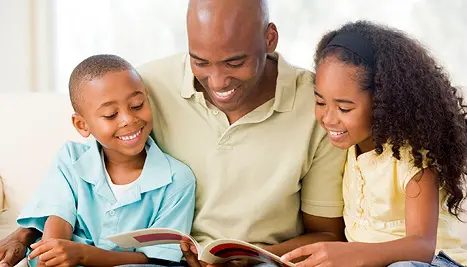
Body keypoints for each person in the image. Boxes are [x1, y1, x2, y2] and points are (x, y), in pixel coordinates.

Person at [0, 1, 347, 266]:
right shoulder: (145, 89)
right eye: (200, 61)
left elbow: (328, 234)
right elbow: (84, 172)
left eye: (235, 62)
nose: (218, 81)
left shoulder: (318, 107)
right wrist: (29, 233)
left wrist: (249, 258)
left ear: (269, 38)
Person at [281, 20, 467, 267]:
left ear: (383, 103)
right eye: (320, 102)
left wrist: (351, 254)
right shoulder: (346, 148)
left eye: (344, 108)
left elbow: (422, 246)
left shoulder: (413, 159)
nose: (328, 118)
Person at [15, 54, 196, 267]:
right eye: (111, 115)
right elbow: (57, 225)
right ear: (82, 125)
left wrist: (83, 255)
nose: (129, 119)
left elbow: (156, 257)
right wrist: (53, 252)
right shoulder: (71, 158)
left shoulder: (178, 180)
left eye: (137, 105)